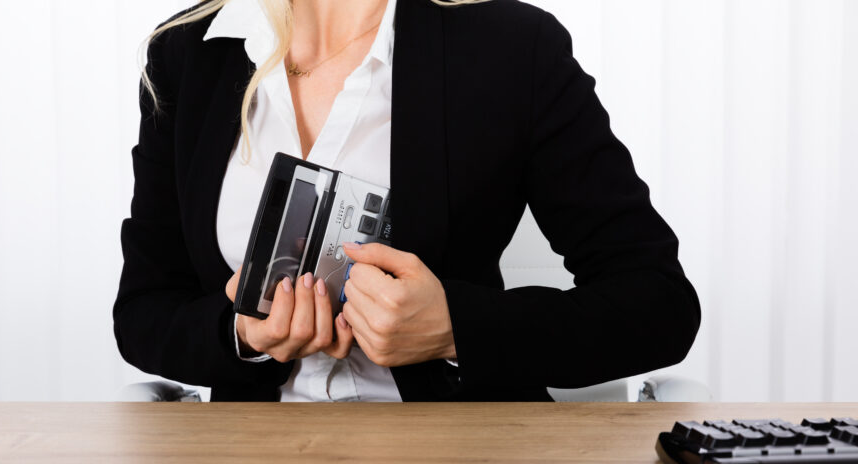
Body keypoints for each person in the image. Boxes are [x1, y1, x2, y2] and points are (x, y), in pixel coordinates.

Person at [113, 0, 701, 402]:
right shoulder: (189, 51)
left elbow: (658, 304)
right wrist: (240, 335)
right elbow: (142, 312)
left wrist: (455, 329)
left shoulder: (512, 47)